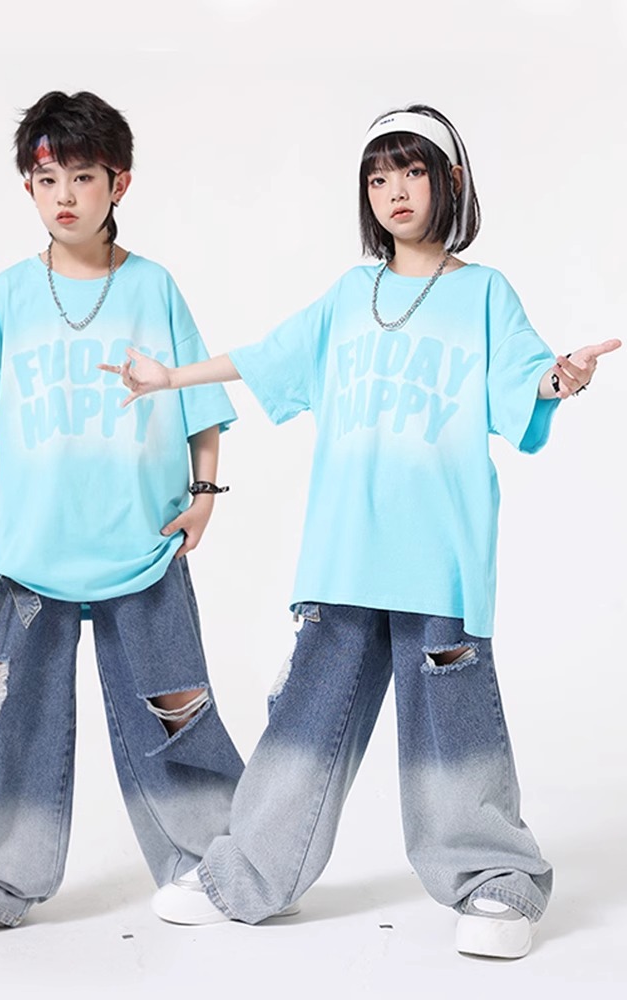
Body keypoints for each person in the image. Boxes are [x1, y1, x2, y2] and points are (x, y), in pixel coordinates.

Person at [99, 104, 621, 959]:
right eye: (378, 177)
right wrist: (169, 378)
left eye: (411, 171)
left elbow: (528, 378)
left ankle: (495, 882)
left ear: (450, 181)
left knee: (453, 726)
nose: (394, 191)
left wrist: (565, 379)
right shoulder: (351, 294)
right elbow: (270, 355)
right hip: (345, 556)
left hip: (439, 559)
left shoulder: (484, 293)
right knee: (304, 721)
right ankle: (246, 875)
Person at [0, 90, 245, 949]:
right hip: (30, 556)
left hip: (141, 547)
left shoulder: (152, 287)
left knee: (175, 712)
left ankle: (221, 863)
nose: (66, 196)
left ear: (119, 183)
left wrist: (204, 493)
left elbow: (200, 401)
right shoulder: (8, 295)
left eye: (83, 177)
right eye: (48, 181)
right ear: (29, 189)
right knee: (6, 725)